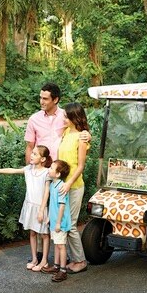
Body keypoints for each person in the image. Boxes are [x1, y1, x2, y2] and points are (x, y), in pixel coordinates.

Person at [24, 82, 90, 263]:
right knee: (40, 211)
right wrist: (31, 173)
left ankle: (62, 258)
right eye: (40, 97)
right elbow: (29, 147)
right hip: (44, 172)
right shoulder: (34, 119)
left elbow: (81, 130)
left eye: (45, 98)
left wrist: (87, 135)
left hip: (63, 175)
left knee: (58, 216)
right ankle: (39, 255)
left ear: (56, 99)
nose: (41, 101)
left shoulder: (65, 116)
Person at [0, 145, 52, 272]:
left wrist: (41, 210)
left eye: (35, 154)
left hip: (40, 207)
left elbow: (46, 193)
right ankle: (34, 259)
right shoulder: (29, 169)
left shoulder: (46, 173)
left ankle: (44, 260)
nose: (31, 155)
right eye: (32, 153)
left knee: (44, 234)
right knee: (32, 233)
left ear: (43, 159)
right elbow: (13, 170)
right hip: (29, 205)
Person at [58, 102, 89, 274]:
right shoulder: (66, 133)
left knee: (71, 225)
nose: (63, 118)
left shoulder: (82, 138)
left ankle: (80, 261)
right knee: (65, 223)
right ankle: (73, 258)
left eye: (65, 116)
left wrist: (69, 183)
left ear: (73, 118)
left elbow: (80, 166)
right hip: (62, 185)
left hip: (74, 186)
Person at [41, 160, 71, 282]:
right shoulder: (53, 185)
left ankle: (63, 270)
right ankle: (56, 266)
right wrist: (49, 218)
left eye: (52, 168)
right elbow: (53, 204)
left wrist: (58, 222)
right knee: (57, 244)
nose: (49, 169)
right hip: (54, 221)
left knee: (61, 246)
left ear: (58, 174)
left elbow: (62, 206)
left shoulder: (61, 187)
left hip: (60, 222)